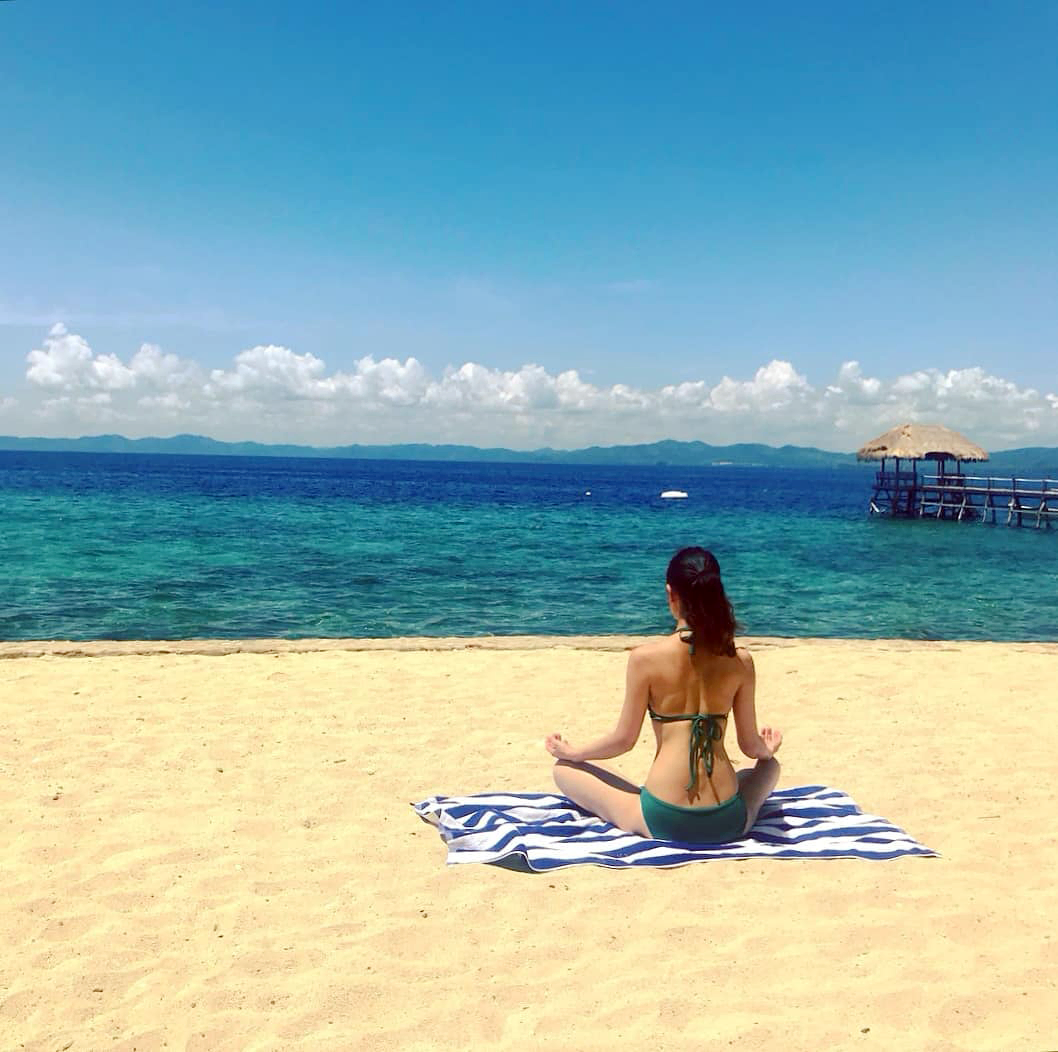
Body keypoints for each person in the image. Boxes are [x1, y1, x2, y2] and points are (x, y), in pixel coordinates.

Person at [544, 546, 782, 843]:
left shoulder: (645, 659)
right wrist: (767, 750)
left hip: (664, 818)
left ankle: (623, 789)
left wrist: (574, 753)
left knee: (565, 770)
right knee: (768, 768)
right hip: (727, 821)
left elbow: (624, 740)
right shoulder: (740, 661)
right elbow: (750, 747)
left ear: (671, 594)